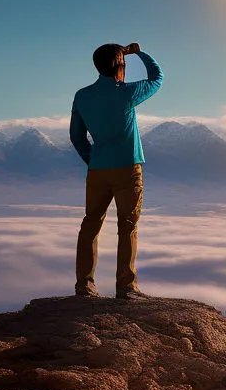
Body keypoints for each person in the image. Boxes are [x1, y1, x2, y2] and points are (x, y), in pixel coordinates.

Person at [69, 42, 163, 299]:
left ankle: (85, 285)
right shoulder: (127, 93)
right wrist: (139, 53)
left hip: (98, 170)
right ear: (121, 65)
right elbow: (157, 78)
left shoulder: (82, 96)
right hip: (127, 168)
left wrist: (93, 159)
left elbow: (76, 136)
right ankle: (126, 286)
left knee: (90, 225)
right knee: (128, 226)